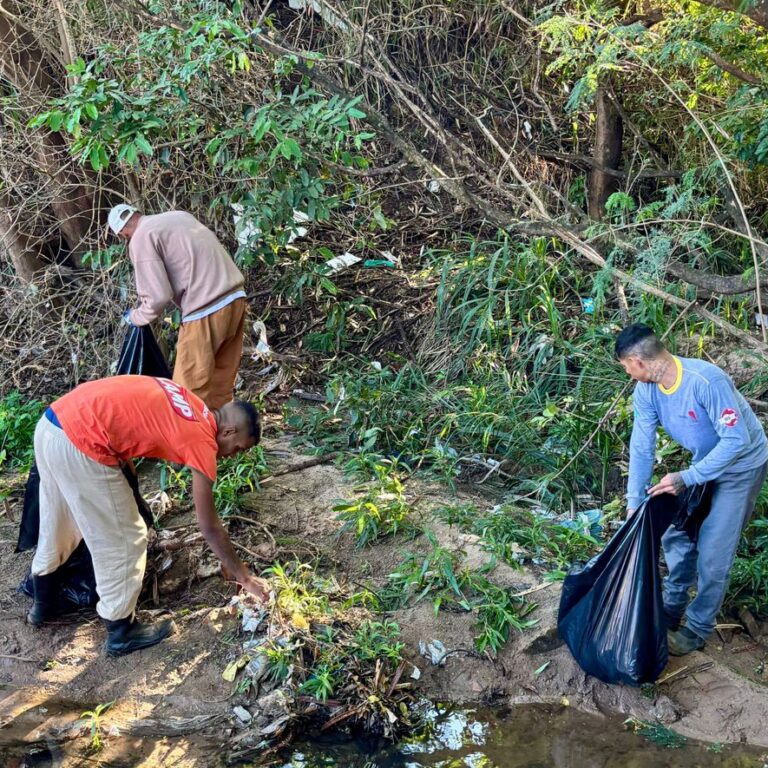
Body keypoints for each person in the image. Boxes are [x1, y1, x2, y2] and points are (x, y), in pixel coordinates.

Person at [26, 375, 271, 656]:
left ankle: (43, 605)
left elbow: (127, 415)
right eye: (237, 448)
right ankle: (121, 630)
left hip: (52, 424)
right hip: (82, 441)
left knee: (59, 521)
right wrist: (245, 577)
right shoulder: (202, 440)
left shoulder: (191, 403)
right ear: (228, 432)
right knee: (126, 539)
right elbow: (209, 525)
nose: (232, 455)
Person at [616, 324, 768, 656]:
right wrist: (634, 502)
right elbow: (641, 447)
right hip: (705, 465)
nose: (628, 375)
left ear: (637, 361)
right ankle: (671, 608)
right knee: (678, 534)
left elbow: (736, 441)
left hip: (741, 467)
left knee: (714, 551)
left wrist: (688, 476)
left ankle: (697, 628)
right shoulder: (647, 391)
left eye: (627, 367)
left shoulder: (705, 381)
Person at [108, 205, 246, 410]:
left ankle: (191, 439)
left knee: (188, 392)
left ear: (122, 233)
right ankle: (221, 436)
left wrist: (136, 317)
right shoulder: (178, 216)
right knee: (221, 385)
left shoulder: (140, 238)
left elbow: (158, 296)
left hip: (205, 309)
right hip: (236, 299)